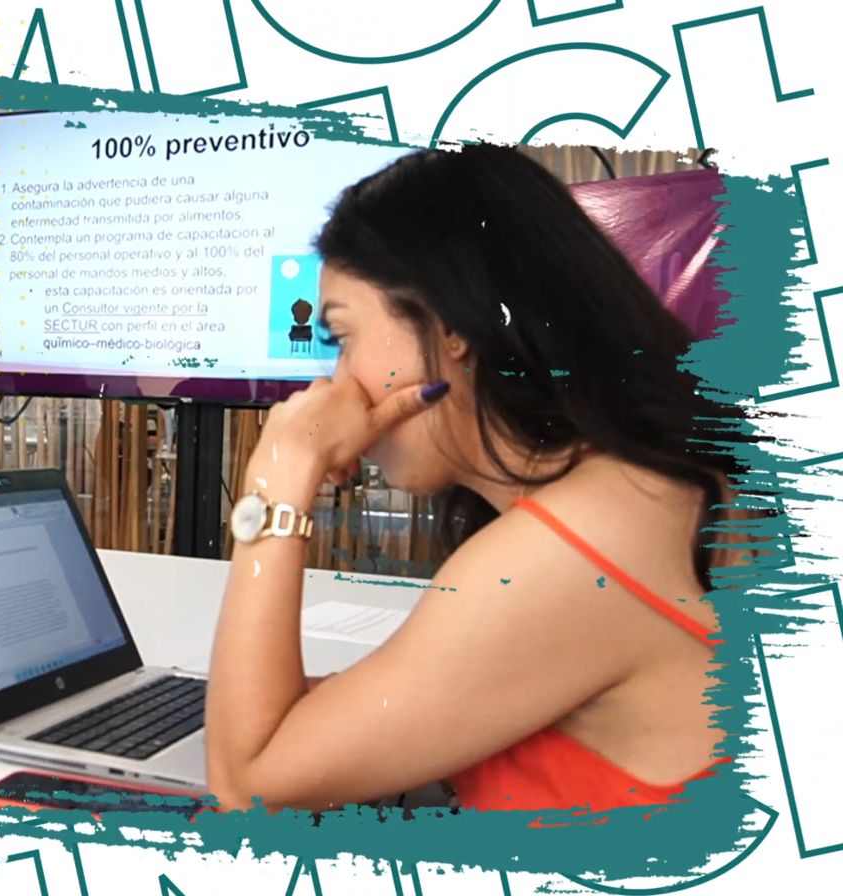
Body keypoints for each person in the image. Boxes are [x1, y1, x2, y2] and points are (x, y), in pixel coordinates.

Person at [204, 145, 759, 815]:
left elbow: (248, 784)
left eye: (343, 338)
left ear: (452, 329)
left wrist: (277, 476)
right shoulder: (638, 488)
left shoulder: (571, 549)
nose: (336, 383)